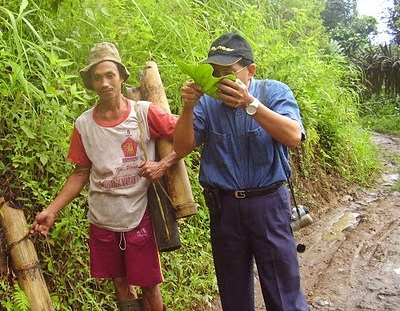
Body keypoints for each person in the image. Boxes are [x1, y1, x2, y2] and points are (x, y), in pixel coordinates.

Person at [32, 42, 179, 311]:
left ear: (121, 77)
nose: (104, 83)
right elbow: (80, 173)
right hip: (102, 218)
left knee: (148, 284)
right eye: (97, 77)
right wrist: (51, 210)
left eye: (110, 75)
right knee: (120, 281)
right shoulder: (84, 124)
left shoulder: (144, 113)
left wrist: (164, 163)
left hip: (138, 214)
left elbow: (187, 134)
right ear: (90, 82)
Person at [173, 33, 309, 311]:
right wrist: (187, 107)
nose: (220, 79)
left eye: (229, 72)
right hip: (224, 208)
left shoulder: (274, 92)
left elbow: (293, 136)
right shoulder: (207, 103)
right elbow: (182, 146)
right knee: (233, 291)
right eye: (215, 72)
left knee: (283, 292)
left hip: (268, 204)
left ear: (250, 70)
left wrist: (252, 105)